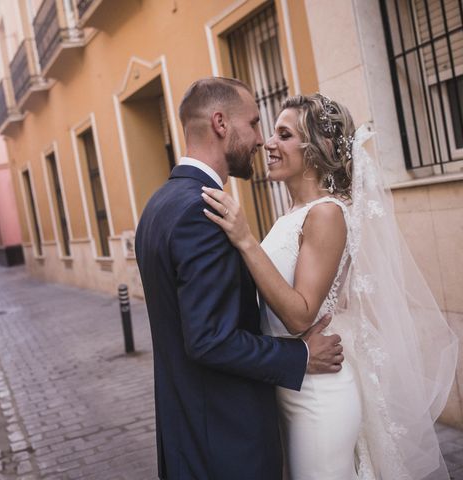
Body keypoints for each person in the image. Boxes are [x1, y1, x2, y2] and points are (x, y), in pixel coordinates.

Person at [202, 93, 458, 479]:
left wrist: (245, 240)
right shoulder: (295, 215)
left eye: (284, 134)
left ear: (316, 149)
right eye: (272, 133)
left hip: (319, 395)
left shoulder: (327, 214)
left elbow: (300, 314)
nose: (268, 144)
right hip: (292, 384)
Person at [135, 78, 344, 480]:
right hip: (225, 441)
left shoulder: (159, 204)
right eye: (253, 123)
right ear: (220, 123)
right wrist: (300, 357)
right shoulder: (203, 211)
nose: (260, 140)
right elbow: (211, 340)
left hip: (188, 433)